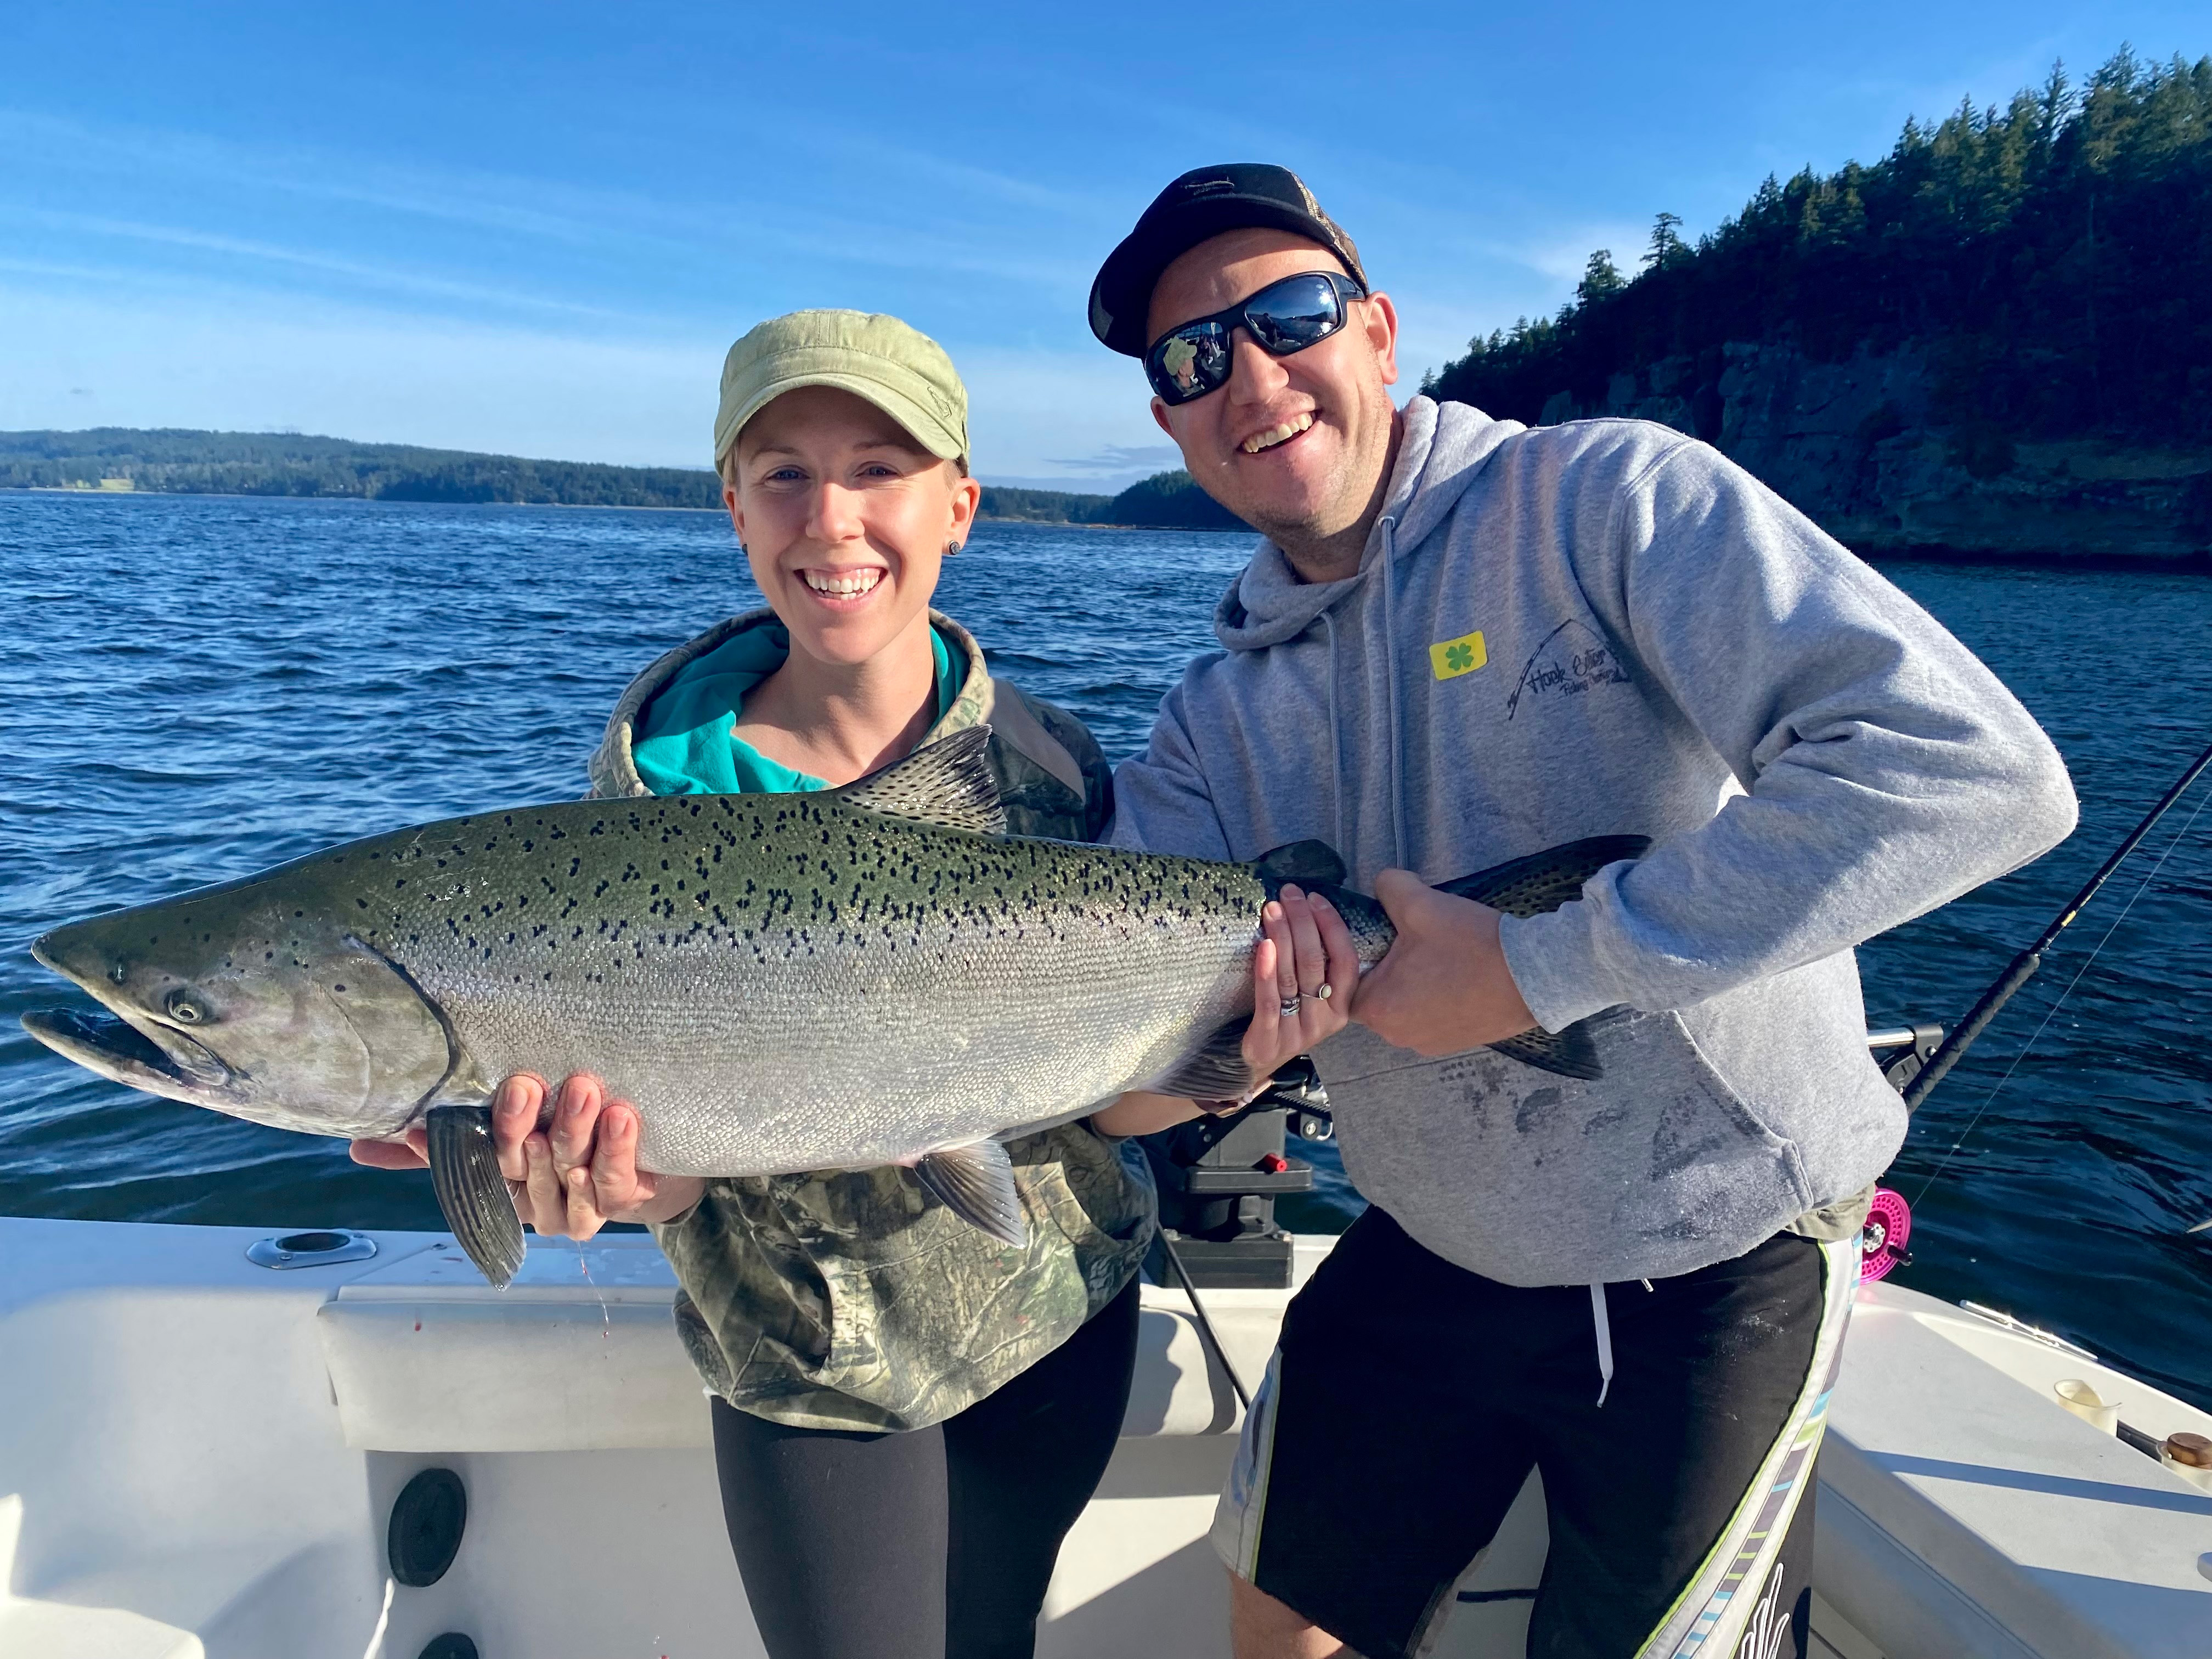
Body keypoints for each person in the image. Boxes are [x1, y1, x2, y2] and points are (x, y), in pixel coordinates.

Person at [1083, 165, 2077, 1659]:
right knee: (1277, 1636)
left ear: (1379, 333)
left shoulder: (1606, 498)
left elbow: (1978, 774)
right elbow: (1129, 1086)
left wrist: (1539, 968)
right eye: (1195, 357)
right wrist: (1207, 1056)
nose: (1255, 375)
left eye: (1291, 315)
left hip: (1716, 1251)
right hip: (1430, 1235)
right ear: (1167, 416)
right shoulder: (1211, 720)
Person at [351, 308, 1319, 1659]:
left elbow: (1107, 1112)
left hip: (1057, 1319)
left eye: (879, 469)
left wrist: (1258, 1044)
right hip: (806, 1373)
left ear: (960, 506)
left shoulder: (1058, 772)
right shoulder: (642, 803)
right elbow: (678, 1166)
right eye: (785, 475)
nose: (833, 518)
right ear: (734, 509)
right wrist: (627, 1184)